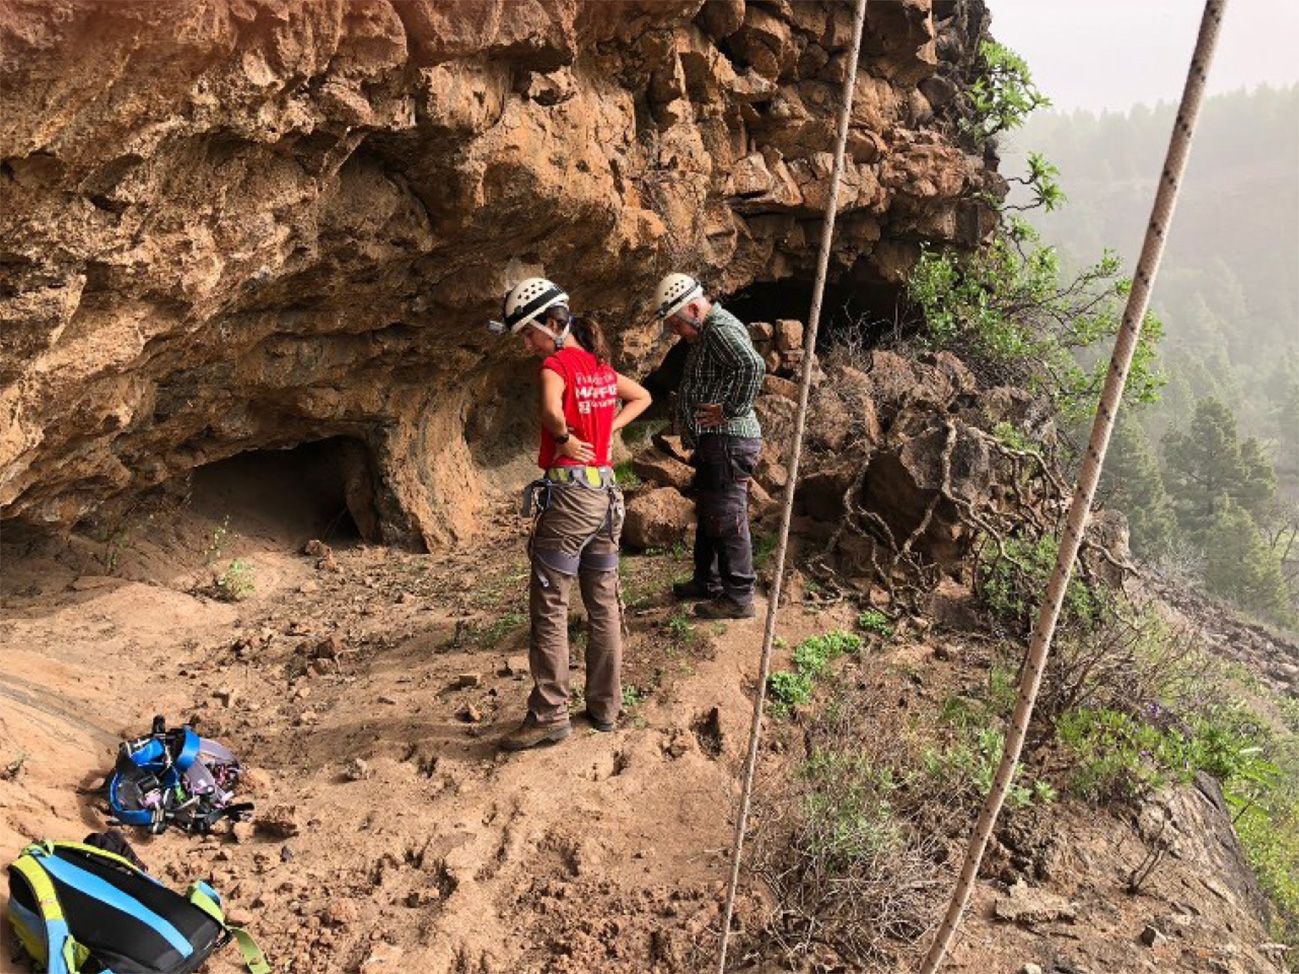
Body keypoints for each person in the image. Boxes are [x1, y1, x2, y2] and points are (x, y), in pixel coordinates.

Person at [492, 277, 652, 751]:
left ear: (552, 324)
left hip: (570, 497)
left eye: (528, 332)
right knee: (602, 601)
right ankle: (605, 706)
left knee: (551, 602)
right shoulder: (601, 367)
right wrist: (607, 437)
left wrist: (563, 439)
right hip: (606, 495)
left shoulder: (555, 364)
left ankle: (548, 715)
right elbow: (641, 396)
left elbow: (548, 410)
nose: (526, 343)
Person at [653, 273, 765, 620]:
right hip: (716, 441)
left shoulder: (718, 328)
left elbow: (752, 365)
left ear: (693, 308)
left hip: (729, 440)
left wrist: (730, 410)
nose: (676, 331)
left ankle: (738, 597)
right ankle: (708, 581)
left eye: (676, 323)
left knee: (727, 515)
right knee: (711, 513)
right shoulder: (710, 330)